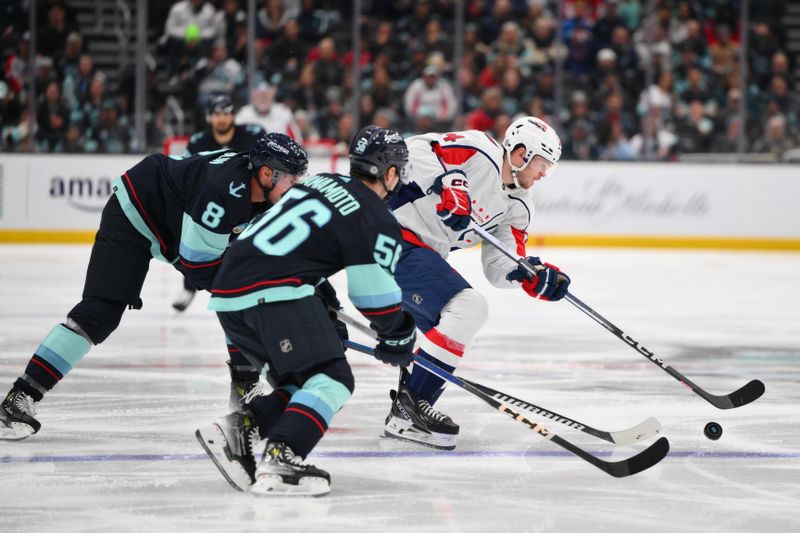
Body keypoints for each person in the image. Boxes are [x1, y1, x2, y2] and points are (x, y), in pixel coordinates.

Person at [0, 133, 308, 441]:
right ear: (267, 174)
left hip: (173, 222)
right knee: (99, 314)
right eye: (293, 180)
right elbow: (198, 266)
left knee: (241, 287)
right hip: (136, 212)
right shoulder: (224, 193)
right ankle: (20, 398)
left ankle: (244, 387)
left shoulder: (265, 196)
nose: (297, 189)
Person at [195, 126, 416, 496]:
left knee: (302, 383)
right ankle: (282, 458)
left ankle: (237, 429)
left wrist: (324, 303)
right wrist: (399, 332)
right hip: (272, 293)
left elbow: (298, 246)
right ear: (391, 173)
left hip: (230, 292)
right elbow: (373, 298)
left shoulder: (322, 184)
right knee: (332, 380)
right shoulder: (376, 216)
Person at [383, 116, 571, 450]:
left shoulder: (520, 206)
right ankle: (410, 408)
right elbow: (412, 151)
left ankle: (409, 406)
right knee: (467, 307)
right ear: (521, 154)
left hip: (419, 255)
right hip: (390, 232)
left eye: (549, 168)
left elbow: (499, 266)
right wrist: (449, 182)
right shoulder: (479, 150)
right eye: (542, 164)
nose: (543, 174)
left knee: (449, 325)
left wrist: (529, 275)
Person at [171, 93, 266, 312]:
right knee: (194, 243)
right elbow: (185, 171)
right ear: (209, 117)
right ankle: (189, 285)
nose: (222, 118)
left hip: (245, 201)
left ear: (233, 115)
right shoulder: (198, 141)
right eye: (217, 114)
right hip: (207, 200)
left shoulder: (252, 134)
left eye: (226, 113)